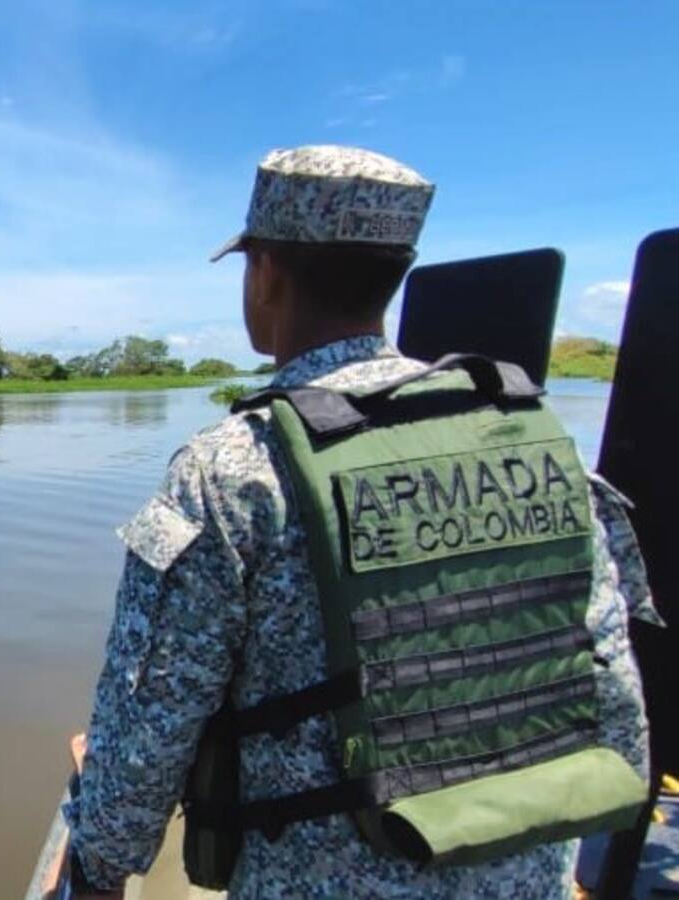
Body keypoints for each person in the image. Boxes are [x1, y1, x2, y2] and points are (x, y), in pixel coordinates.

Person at [62, 145, 658, 898]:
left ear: (266, 273)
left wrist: (98, 861)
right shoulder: (536, 437)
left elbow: (146, 725)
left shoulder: (235, 468)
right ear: (397, 273)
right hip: (523, 874)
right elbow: (615, 698)